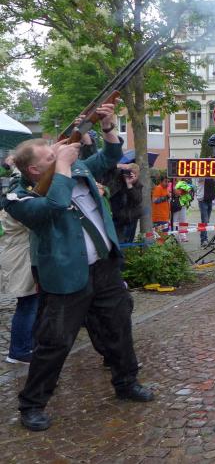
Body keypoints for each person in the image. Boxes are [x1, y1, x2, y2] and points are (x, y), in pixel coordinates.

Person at [2, 104, 152, 432]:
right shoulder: (18, 198)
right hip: (66, 277)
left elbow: (111, 157)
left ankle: (126, 382)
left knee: (118, 329)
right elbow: (55, 204)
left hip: (104, 267)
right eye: (49, 155)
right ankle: (32, 404)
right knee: (54, 343)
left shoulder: (77, 168)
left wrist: (108, 126)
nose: (59, 153)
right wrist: (63, 166)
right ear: (34, 170)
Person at [0, 206, 38, 365]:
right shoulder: (16, 205)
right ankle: (19, 351)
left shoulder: (9, 206)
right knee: (27, 305)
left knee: (30, 304)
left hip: (18, 258)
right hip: (20, 260)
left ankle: (25, 346)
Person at [109, 163, 142, 244]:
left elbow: (138, 200)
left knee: (128, 243)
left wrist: (130, 185)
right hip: (118, 219)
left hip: (131, 219)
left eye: (134, 173)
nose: (131, 175)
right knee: (118, 243)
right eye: (129, 172)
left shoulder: (138, 185)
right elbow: (110, 193)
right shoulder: (118, 181)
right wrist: (119, 166)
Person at [197, 176, 215, 247]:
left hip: (209, 199)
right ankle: (203, 240)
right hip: (202, 200)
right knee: (204, 220)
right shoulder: (201, 175)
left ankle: (205, 239)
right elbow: (201, 178)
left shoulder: (211, 175)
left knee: (207, 220)